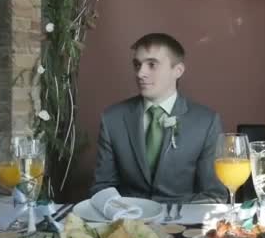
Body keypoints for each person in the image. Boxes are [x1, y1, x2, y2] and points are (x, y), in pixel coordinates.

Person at [91, 33, 227, 203]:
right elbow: (102, 187)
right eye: (137, 65)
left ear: (178, 70)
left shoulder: (206, 122)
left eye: (152, 65)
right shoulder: (112, 119)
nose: (140, 73)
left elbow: (214, 194)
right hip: (129, 221)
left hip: (182, 222)